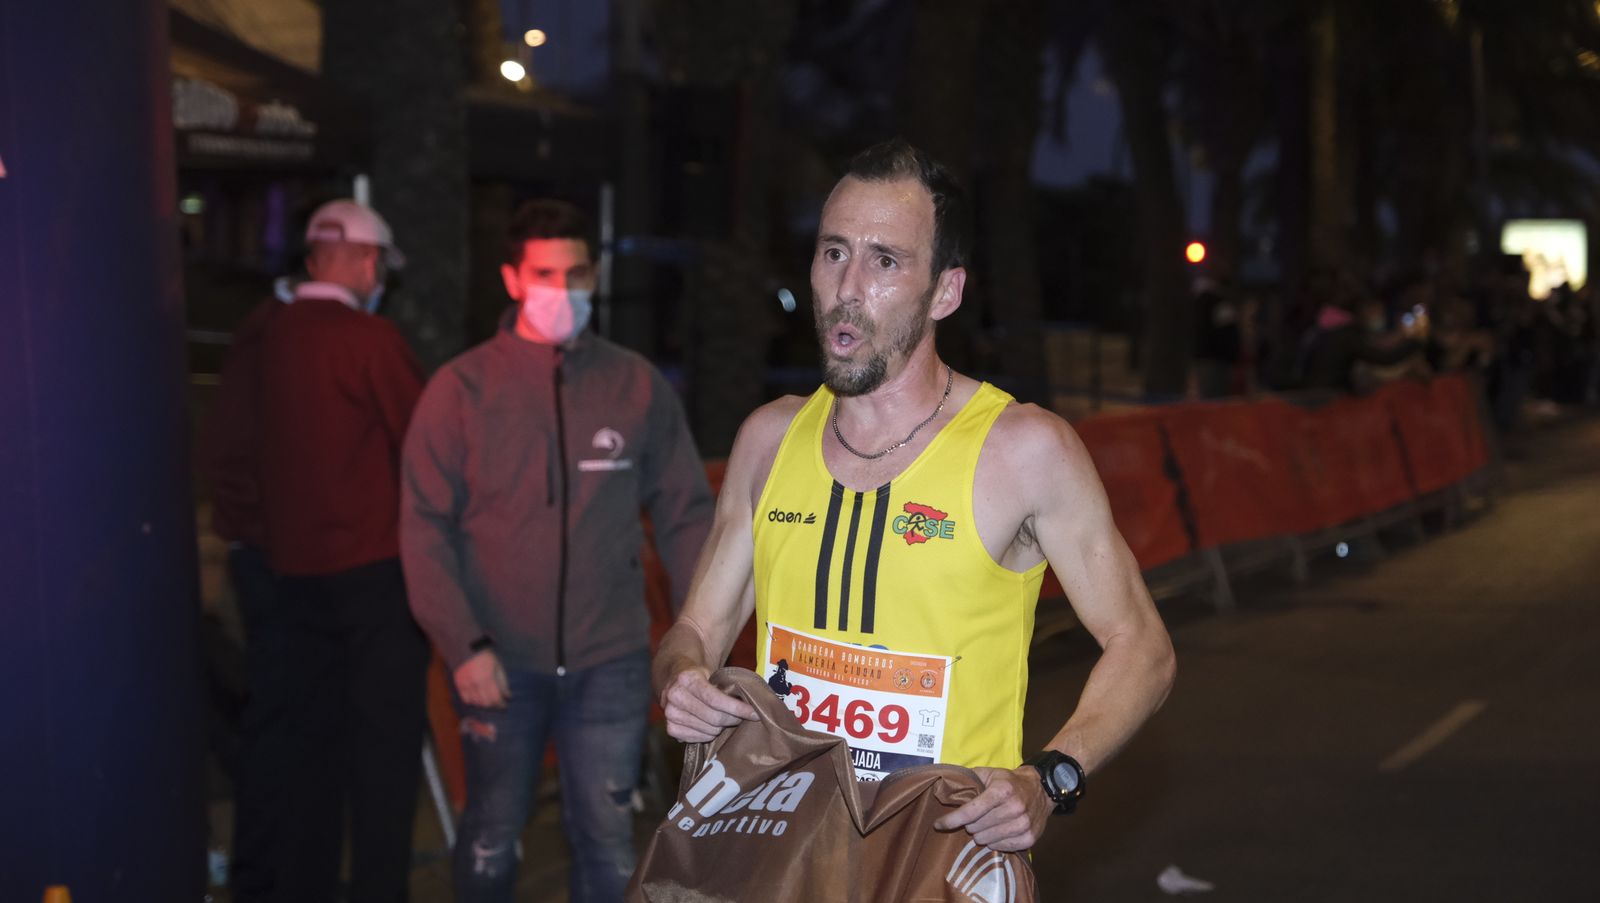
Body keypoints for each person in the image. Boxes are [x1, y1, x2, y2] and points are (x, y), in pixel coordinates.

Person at [653, 139, 1175, 853]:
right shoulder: (768, 441)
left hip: (938, 862)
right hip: (787, 854)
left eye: (885, 260)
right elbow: (696, 631)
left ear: (946, 292)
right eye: (834, 252)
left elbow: (1142, 645)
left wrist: (1051, 776)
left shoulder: (1024, 450)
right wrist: (681, 677)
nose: (848, 284)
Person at [400, 199, 714, 902]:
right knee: (489, 835)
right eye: (544, 273)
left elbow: (686, 512)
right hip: (496, 663)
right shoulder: (461, 390)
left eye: (575, 273)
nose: (562, 290)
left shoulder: (636, 386)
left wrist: (702, 631)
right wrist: (462, 645)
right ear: (513, 278)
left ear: (594, 274)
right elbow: (423, 527)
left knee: (606, 840)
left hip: (611, 662)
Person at [256, 199, 430, 902]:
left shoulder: (265, 334)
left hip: (286, 575)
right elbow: (421, 446)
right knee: (382, 759)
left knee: (306, 751)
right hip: (373, 578)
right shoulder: (369, 339)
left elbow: (232, 452)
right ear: (363, 260)